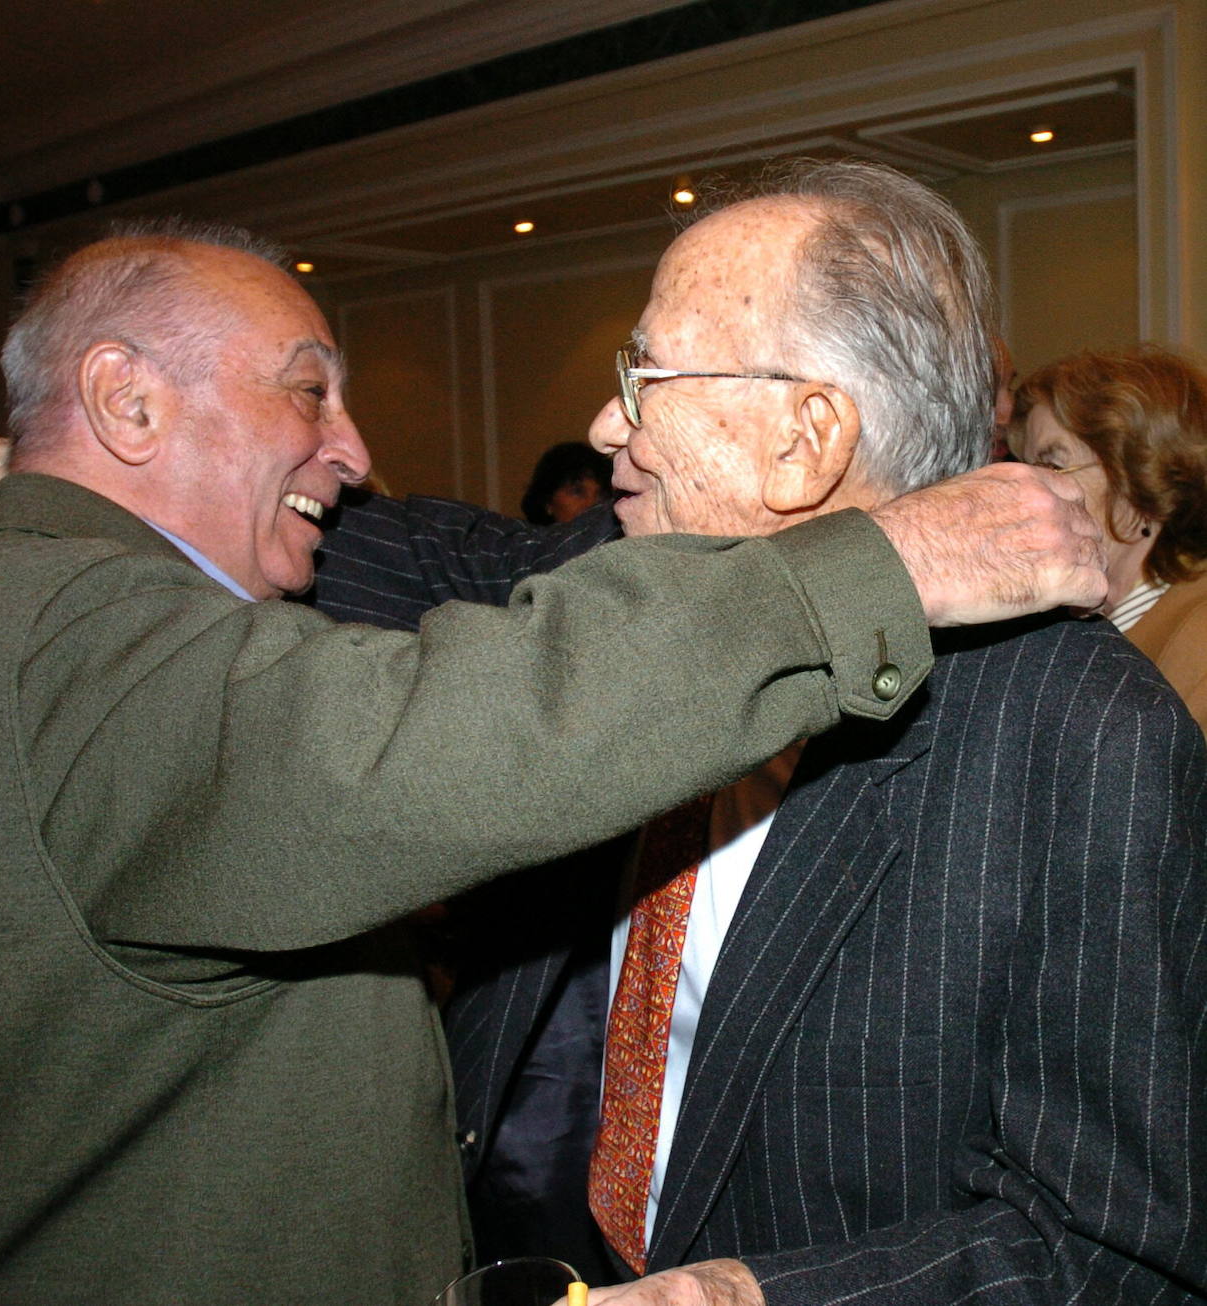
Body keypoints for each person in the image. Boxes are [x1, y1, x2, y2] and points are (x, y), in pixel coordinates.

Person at [0, 218, 1105, 1306]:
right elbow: (416, 740)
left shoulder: (1073, 719)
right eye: (307, 388)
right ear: (126, 399)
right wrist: (881, 573)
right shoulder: (70, 631)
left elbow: (507, 585)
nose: (352, 448)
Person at [443, 161, 1207, 1305]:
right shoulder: (627, 625)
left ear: (808, 438)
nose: (606, 422)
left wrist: (747, 1297)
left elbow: (1112, 1247)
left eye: (646, 374)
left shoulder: (1084, 736)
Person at [1013, 344, 1207, 733]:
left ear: (1141, 478)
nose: (1024, 494)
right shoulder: (1065, 630)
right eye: (1024, 470)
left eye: (1053, 466)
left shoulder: (1197, 639)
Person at [521, 441, 614, 523]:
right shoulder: (521, 539)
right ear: (548, 502)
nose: (591, 505)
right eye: (577, 492)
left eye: (601, 496)